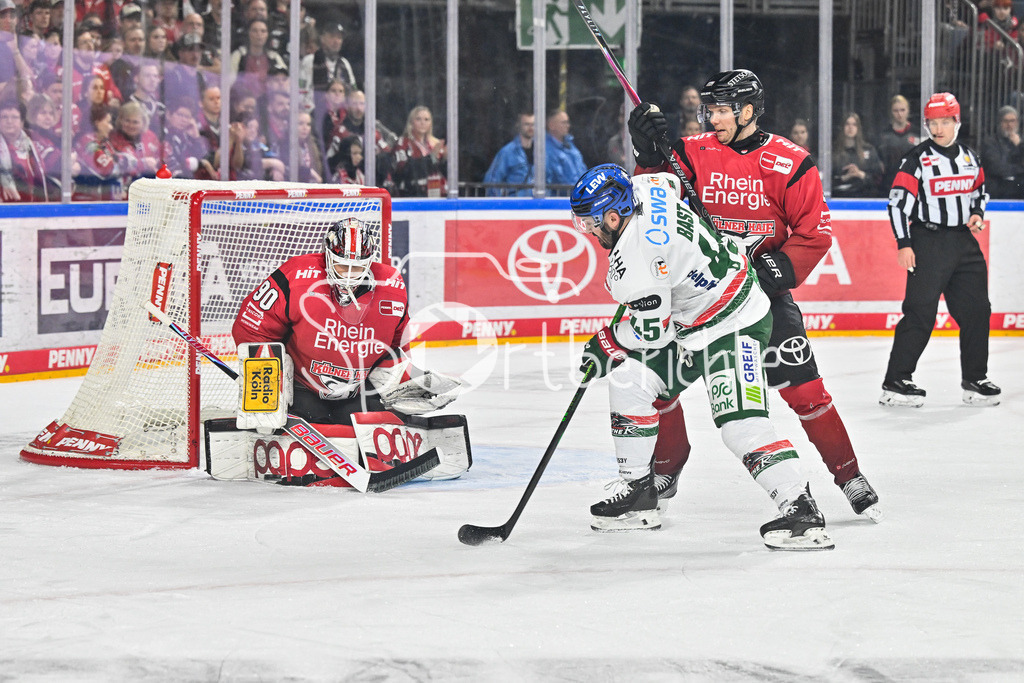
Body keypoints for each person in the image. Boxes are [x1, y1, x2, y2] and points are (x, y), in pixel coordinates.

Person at [627, 69, 881, 520]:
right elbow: (651, 202)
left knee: (807, 393)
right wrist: (646, 153)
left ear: (747, 111)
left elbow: (814, 232)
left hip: (764, 298)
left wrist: (773, 271)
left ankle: (849, 474)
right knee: (656, 383)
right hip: (700, 298)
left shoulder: (790, 161)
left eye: (722, 110)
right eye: (709, 110)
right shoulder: (691, 152)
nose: (713, 118)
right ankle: (666, 467)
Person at [568, 164, 833, 550]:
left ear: (612, 217)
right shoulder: (647, 185)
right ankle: (639, 492)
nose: (591, 232)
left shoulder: (635, 262)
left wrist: (609, 341)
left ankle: (801, 511)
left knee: (740, 426)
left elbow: (651, 333)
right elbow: (674, 184)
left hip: (736, 323)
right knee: (630, 381)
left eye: (592, 223)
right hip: (693, 320)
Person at [231, 218, 461, 434]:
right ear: (327, 256)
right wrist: (267, 384)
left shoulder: (391, 286)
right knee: (308, 426)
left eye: (357, 268)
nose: (349, 276)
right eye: (342, 266)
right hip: (300, 389)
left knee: (380, 428)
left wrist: (403, 380)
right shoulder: (297, 275)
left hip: (357, 391)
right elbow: (251, 328)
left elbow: (396, 345)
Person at [881, 92, 1000, 407]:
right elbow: (897, 204)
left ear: (957, 122)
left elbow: (979, 191)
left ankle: (975, 379)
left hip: (964, 242)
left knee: (977, 311)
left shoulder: (970, 157)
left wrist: (977, 214)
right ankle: (896, 382)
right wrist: (904, 243)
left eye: (944, 122)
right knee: (920, 312)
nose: (937, 129)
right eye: (932, 123)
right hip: (928, 241)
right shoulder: (916, 159)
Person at [299, 19, 356, 113]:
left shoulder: (344, 64)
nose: (336, 41)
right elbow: (301, 91)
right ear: (322, 38)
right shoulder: (310, 61)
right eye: (332, 36)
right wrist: (311, 113)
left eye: (339, 38)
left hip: (341, 116)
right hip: (315, 114)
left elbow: (353, 92)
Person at [392, 105, 446, 197]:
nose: (422, 123)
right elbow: (403, 169)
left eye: (426, 119)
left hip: (435, 193)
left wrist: (446, 158)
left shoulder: (435, 143)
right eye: (418, 119)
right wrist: (431, 158)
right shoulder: (403, 143)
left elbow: (443, 171)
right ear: (411, 122)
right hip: (412, 194)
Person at [832, 111, 884, 197]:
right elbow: (824, 181)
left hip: (864, 197)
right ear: (842, 127)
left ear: (858, 128)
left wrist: (860, 174)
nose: (850, 127)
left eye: (854, 124)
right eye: (847, 124)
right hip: (839, 198)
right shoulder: (833, 151)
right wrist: (844, 178)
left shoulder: (869, 150)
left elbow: (879, 179)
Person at [482, 112, 535, 196]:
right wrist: (498, 203)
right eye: (527, 124)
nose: (530, 127)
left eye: (533, 124)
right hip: (515, 202)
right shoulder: (507, 152)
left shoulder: (541, 153)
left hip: (537, 203)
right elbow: (492, 181)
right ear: (518, 126)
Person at [876, 95, 920, 191]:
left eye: (902, 110)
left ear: (908, 110)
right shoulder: (883, 136)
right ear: (891, 112)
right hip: (889, 185)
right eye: (896, 111)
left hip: (913, 183)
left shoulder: (918, 133)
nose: (899, 114)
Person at [980, 104, 1024, 198]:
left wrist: (1020, 146)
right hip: (998, 187)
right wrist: (1020, 169)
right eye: (1006, 121)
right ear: (1000, 122)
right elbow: (996, 168)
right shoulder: (990, 142)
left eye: (1012, 121)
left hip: (1018, 187)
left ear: (1017, 123)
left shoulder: (1020, 143)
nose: (1009, 125)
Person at [545, 108, 586, 188]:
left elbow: (582, 169)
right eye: (564, 123)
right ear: (551, 125)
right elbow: (558, 179)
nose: (568, 126)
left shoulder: (571, 146)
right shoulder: (547, 149)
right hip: (564, 194)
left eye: (568, 122)